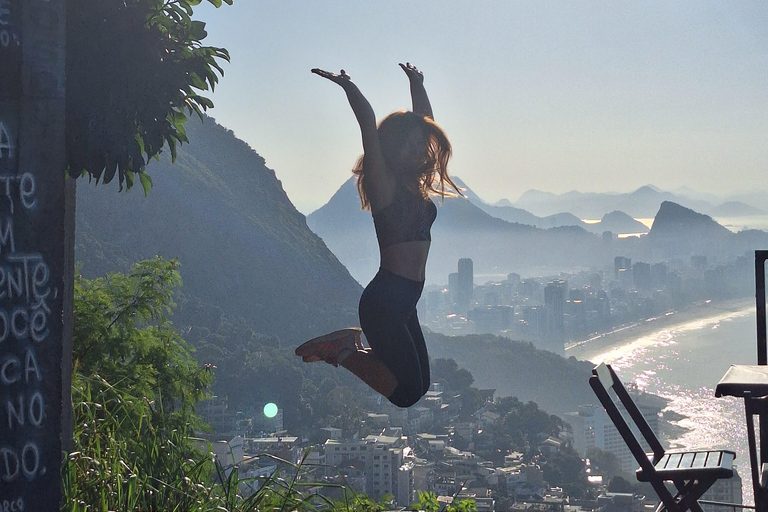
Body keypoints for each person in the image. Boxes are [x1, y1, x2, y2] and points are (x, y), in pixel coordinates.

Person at [295, 63, 461, 408]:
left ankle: (347, 345)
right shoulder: (383, 185)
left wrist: (417, 83)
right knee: (405, 394)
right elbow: (368, 126)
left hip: (404, 303)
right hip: (384, 303)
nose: (418, 150)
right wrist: (348, 87)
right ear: (391, 147)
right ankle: (342, 351)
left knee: (421, 384)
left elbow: (425, 124)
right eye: (408, 144)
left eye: (420, 145)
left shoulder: (415, 186)